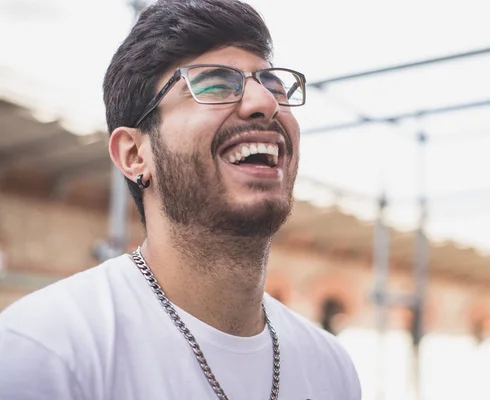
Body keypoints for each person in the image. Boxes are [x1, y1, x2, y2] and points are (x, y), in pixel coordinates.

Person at [0, 0, 362, 399]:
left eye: (273, 85)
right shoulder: (46, 351)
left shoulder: (331, 368)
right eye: (214, 83)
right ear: (134, 155)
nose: (266, 102)